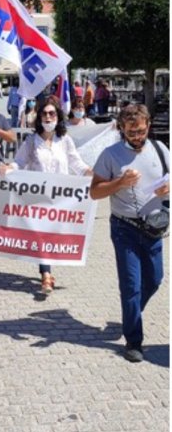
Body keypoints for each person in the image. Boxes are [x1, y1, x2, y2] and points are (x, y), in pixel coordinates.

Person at [90, 104, 170, 363]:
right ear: (122, 129)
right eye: (132, 131)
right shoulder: (110, 155)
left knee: (155, 280)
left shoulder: (160, 149)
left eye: (141, 130)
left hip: (154, 227)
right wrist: (119, 183)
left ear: (148, 125)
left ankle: (131, 314)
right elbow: (95, 192)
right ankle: (133, 341)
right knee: (131, 286)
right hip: (124, 227)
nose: (137, 136)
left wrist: (167, 189)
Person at [0, 97, 92, 293]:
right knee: (41, 235)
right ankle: (46, 275)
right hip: (38, 197)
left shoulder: (65, 140)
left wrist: (90, 172)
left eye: (52, 113)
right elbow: (19, 162)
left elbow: (76, 163)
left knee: (53, 235)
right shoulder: (32, 141)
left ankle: (48, 270)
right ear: (39, 117)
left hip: (61, 198)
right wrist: (9, 168)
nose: (48, 117)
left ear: (58, 117)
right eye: (44, 113)